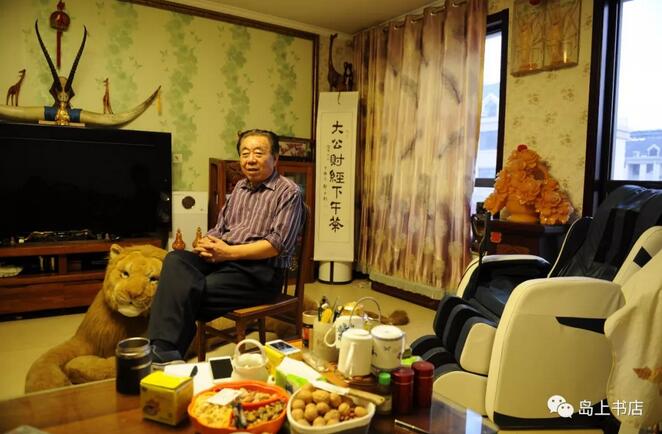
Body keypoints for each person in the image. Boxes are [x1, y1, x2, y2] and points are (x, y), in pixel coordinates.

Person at [148, 129, 304, 364]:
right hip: (224, 262)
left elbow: (276, 245)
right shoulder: (240, 188)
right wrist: (207, 243)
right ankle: (166, 350)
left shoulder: (289, 192)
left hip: (259, 272)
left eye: (258, 153)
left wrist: (227, 252)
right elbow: (220, 228)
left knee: (184, 291)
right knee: (175, 259)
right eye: (245, 153)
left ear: (275, 158)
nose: (250, 160)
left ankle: (163, 350)